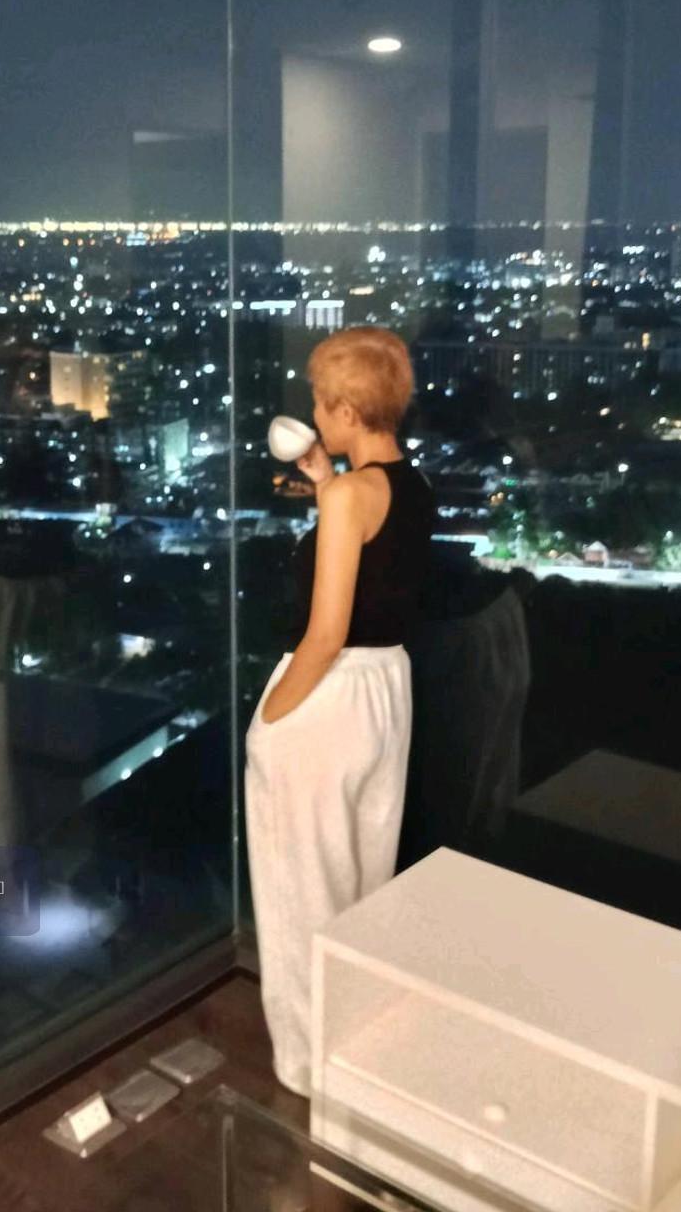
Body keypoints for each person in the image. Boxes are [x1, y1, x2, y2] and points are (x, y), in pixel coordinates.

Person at [245, 326, 436, 1097]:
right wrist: (327, 478)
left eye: (323, 403)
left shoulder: (349, 499)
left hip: (330, 700)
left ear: (348, 411)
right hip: (388, 691)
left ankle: (308, 1066)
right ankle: (355, 1044)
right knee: (360, 878)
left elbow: (326, 634)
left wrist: (271, 718)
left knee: (301, 895)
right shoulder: (411, 486)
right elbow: (375, 540)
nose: (316, 414)